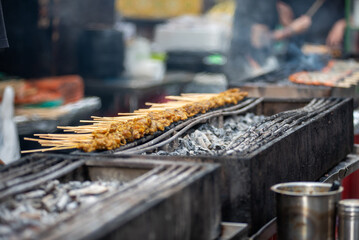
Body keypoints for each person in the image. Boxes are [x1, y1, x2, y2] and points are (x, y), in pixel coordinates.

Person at [277, 0, 346, 48]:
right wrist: (291, 27)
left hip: (329, 48)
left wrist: (343, 22)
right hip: (297, 47)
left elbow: (353, 14)